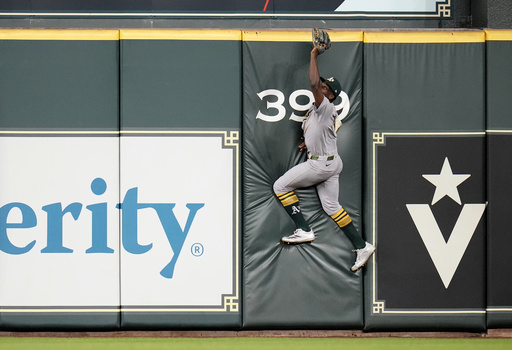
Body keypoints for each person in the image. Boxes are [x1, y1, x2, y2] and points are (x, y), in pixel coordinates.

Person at [272, 45, 375, 272]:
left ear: (330, 93)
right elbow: (320, 132)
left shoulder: (325, 105)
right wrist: (306, 141)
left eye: (326, 85)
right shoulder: (317, 111)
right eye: (323, 83)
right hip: (332, 162)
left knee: (280, 186)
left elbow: (312, 83)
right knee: (331, 207)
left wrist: (312, 55)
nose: (322, 85)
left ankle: (304, 229)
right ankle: (361, 245)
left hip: (320, 165)